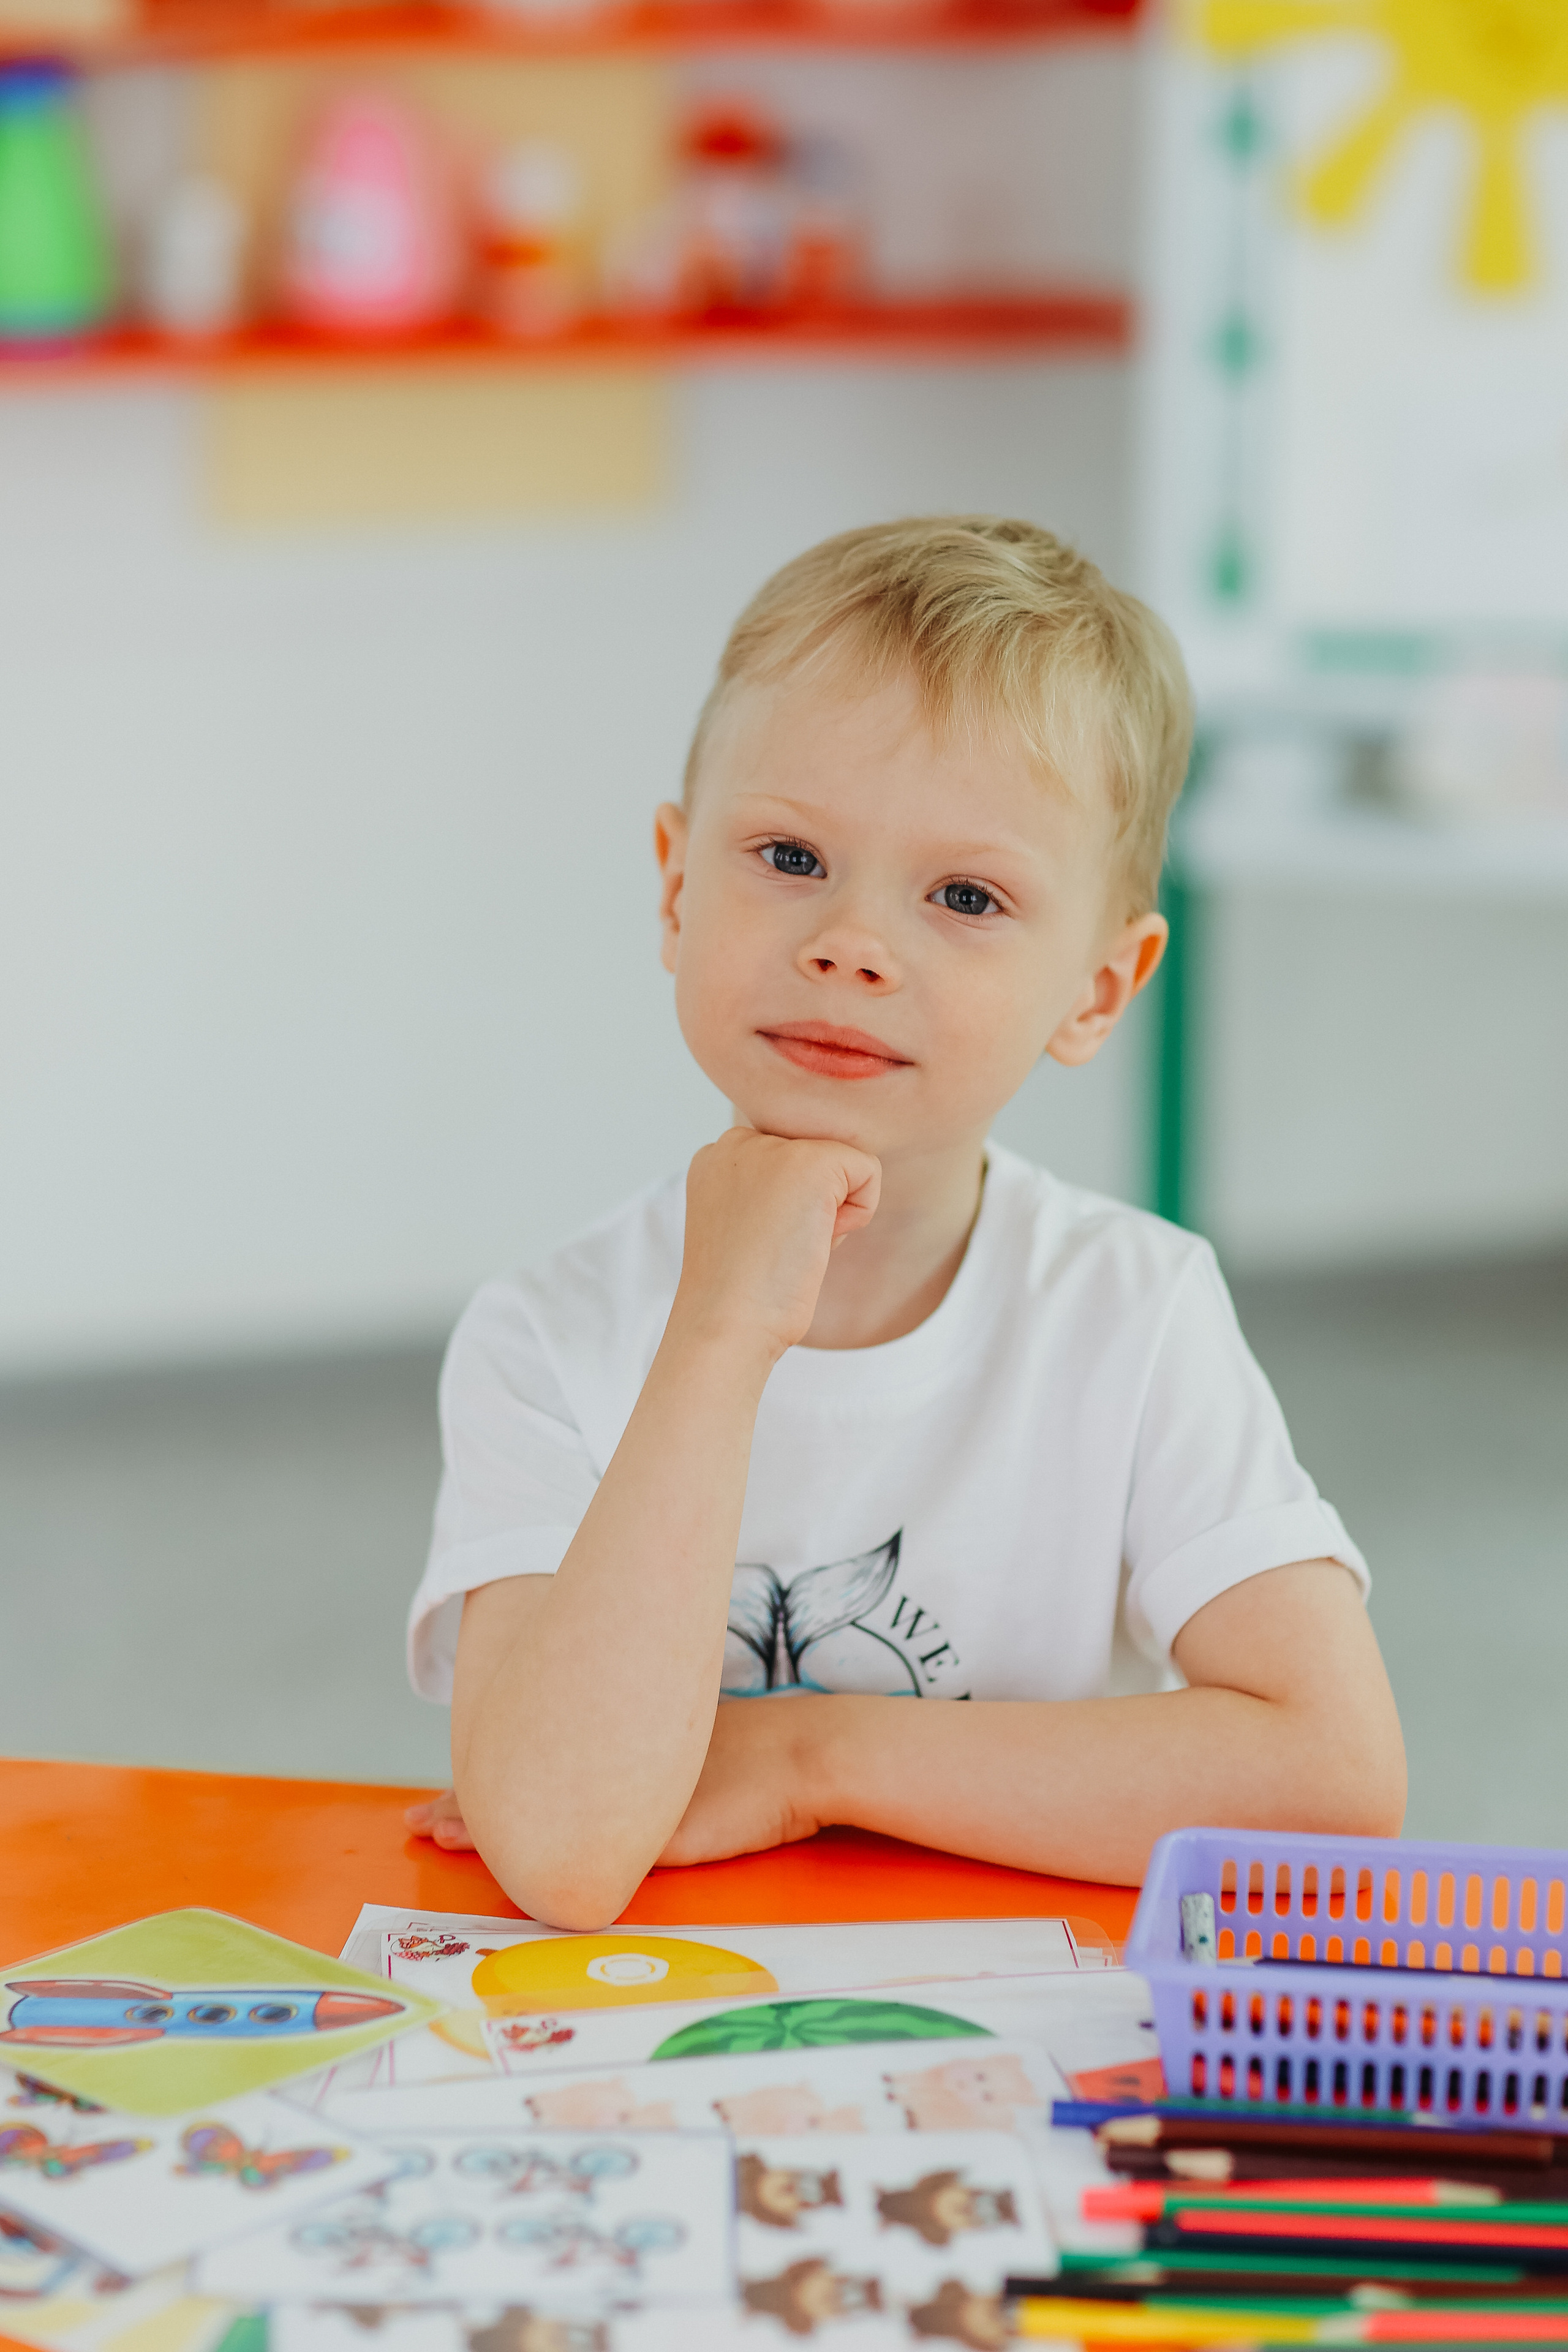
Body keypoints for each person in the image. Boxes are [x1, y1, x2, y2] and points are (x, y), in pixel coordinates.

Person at [403, 516, 1405, 1928]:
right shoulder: (547, 1333)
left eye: (964, 895)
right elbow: (563, 1853)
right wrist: (723, 1330)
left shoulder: (1133, 1306)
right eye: (790, 857)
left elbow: (1333, 1774)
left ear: (1097, 992)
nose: (850, 944)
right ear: (678, 885)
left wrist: (813, 1754)